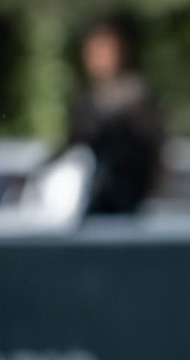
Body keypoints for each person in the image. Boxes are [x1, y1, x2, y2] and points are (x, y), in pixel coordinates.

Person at [67, 15, 164, 214]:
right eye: (92, 52)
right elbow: (73, 143)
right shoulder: (87, 98)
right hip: (92, 194)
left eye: (104, 51)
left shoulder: (134, 93)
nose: (97, 58)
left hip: (125, 196)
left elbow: (154, 143)